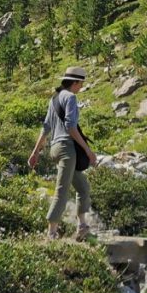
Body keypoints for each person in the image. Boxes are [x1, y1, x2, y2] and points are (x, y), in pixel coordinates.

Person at [28, 66, 98, 240]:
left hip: (54, 148)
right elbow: (70, 127)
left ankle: (82, 225)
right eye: (81, 83)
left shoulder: (54, 100)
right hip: (67, 149)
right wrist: (88, 151)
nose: (81, 87)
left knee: (83, 187)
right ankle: (51, 233)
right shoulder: (71, 98)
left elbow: (46, 127)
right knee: (62, 190)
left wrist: (35, 152)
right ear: (75, 82)